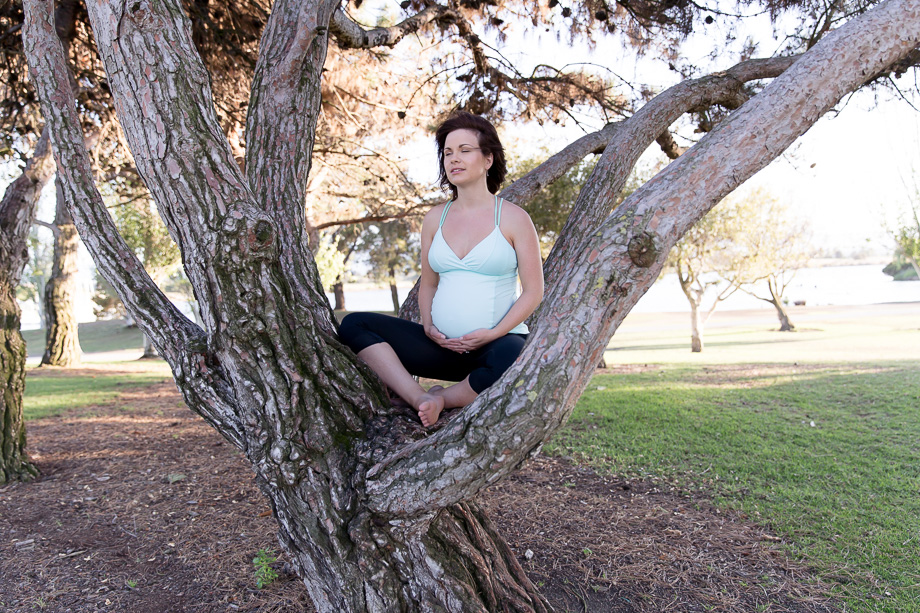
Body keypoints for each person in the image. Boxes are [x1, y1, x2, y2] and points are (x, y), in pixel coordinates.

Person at [339, 112, 544, 426]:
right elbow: (429, 284)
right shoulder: (435, 218)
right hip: (439, 348)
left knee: (511, 358)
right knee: (354, 324)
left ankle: (442, 398)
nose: (453, 159)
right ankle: (418, 396)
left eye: (464, 150)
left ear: (488, 159)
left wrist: (492, 333)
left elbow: (533, 291)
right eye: (448, 153)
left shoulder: (515, 218)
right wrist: (429, 326)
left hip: (493, 347)